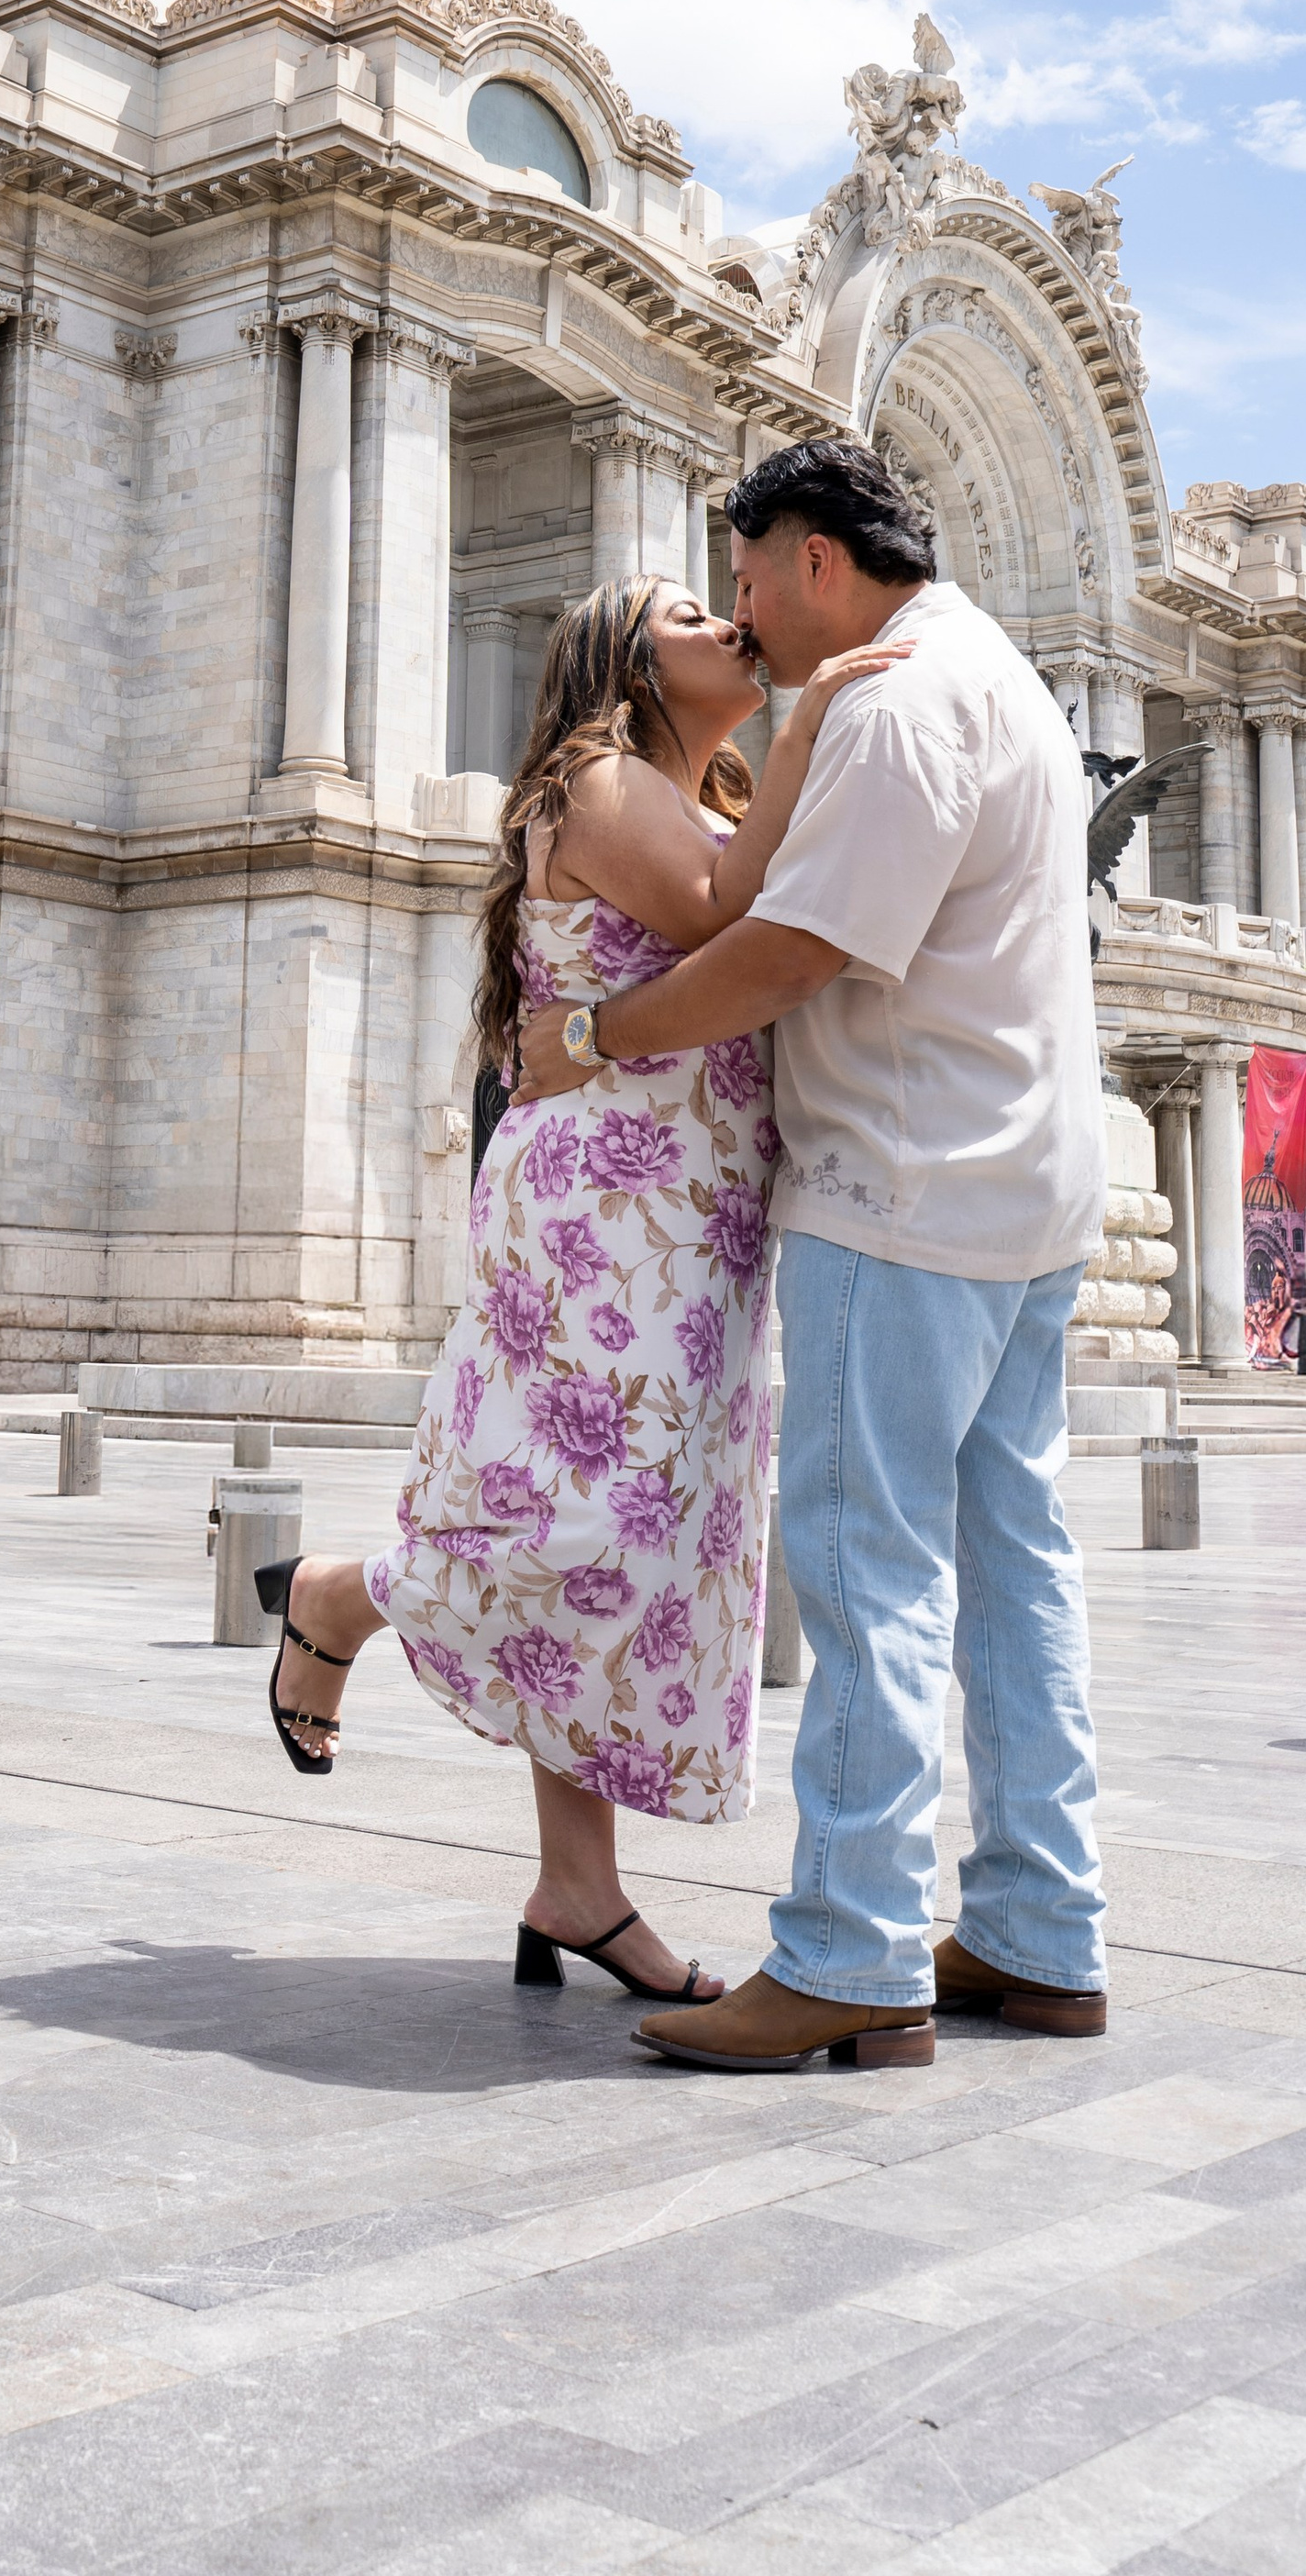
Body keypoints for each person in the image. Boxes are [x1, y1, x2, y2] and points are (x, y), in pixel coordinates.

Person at [516, 439, 1109, 2075]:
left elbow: (781, 949)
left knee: (872, 1582)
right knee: (1017, 1574)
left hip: (906, 1198)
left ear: (819, 563)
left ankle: (851, 1951)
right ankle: (1039, 1928)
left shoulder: (898, 703)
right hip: (1028, 1197)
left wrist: (595, 1033)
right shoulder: (998, 678)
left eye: (754, 576)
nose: (754, 615)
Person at [254, 573, 905, 2004]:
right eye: (681, 610)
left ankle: (578, 1885)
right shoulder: (602, 782)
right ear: (622, 659)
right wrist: (814, 714)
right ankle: (341, 1598)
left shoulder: (692, 790)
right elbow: (735, 910)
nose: (720, 619)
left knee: (652, 1538)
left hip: (689, 1216)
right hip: (606, 1215)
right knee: (594, 1514)